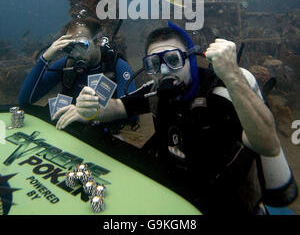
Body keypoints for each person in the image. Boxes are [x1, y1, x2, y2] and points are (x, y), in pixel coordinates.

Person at [53, 22, 298, 214]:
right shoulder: (156, 92)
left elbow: (268, 144)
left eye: (173, 60)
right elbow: (118, 107)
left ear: (190, 59)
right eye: (154, 63)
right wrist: (91, 110)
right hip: (176, 192)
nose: (164, 70)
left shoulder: (221, 93)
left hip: (227, 201)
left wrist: (233, 75)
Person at [19, 18, 137, 129]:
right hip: (68, 127)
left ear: (98, 41)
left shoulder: (117, 66)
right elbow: (25, 100)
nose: (76, 53)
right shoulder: (66, 64)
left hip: (102, 133)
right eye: (70, 47)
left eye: (82, 45)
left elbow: (133, 112)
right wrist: (45, 58)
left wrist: (91, 113)